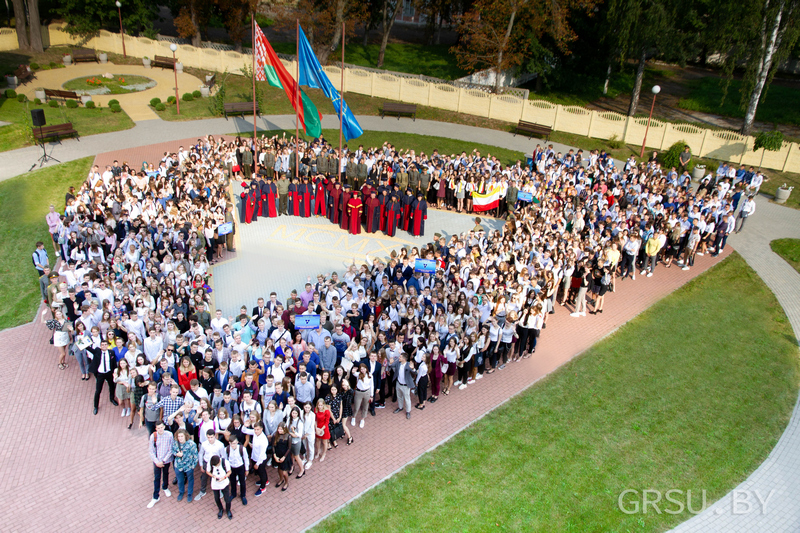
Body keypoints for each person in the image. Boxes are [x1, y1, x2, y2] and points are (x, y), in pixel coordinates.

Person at [88, 339, 119, 415]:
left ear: (107, 345)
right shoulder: (97, 351)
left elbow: (114, 363)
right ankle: (95, 406)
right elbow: (88, 348)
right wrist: (81, 341)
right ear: (100, 346)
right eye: (102, 345)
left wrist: (115, 372)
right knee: (98, 390)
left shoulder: (111, 353)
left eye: (105, 345)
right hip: (100, 374)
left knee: (112, 387)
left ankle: (111, 399)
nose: (104, 346)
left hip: (109, 373)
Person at [147, 421, 173, 509]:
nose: (160, 429)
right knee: (157, 477)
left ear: (164, 427)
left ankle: (165, 487)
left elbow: (171, 449)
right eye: (158, 428)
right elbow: (151, 451)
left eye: (161, 427)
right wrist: (157, 461)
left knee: (166, 473)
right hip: (157, 461)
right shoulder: (153, 436)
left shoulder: (169, 435)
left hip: (166, 460)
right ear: (156, 429)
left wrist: (164, 460)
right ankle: (155, 496)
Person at [172, 428, 198, 502]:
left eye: (182, 436)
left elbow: (195, 456)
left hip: (189, 466)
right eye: (179, 436)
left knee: (190, 480)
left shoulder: (191, 444)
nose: (180, 438)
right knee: (180, 480)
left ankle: (190, 493)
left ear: (185, 436)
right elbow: (172, 450)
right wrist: (177, 454)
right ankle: (181, 492)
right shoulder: (175, 443)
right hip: (179, 466)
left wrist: (192, 466)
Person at [207, 455, 233, 520]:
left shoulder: (225, 462)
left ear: (219, 461)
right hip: (215, 484)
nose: (216, 467)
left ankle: (228, 510)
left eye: (217, 465)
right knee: (216, 498)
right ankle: (220, 509)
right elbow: (208, 471)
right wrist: (213, 476)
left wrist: (224, 477)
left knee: (227, 498)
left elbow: (229, 471)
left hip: (224, 483)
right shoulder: (210, 463)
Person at [226, 433, 249, 505]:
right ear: (229, 443)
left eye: (234, 443)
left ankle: (243, 495)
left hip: (240, 467)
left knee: (242, 482)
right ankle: (233, 494)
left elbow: (246, 459)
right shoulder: (227, 449)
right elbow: (226, 460)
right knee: (232, 482)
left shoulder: (242, 449)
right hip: (232, 467)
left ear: (237, 442)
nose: (233, 445)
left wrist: (247, 469)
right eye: (231, 444)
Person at [391, 352, 414, 419]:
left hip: (405, 385)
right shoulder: (398, 363)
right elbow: (392, 365)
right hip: (398, 383)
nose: (399, 358)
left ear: (404, 359)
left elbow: (414, 372)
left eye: (400, 357)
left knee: (407, 399)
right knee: (399, 396)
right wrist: (391, 362)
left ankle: (408, 411)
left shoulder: (408, 364)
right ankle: (400, 407)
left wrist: (413, 368)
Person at [272, 422, 292, 491]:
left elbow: (289, 448)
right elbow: (273, 446)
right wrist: (274, 455)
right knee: (279, 469)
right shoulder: (275, 435)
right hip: (278, 455)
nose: (279, 431)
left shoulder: (288, 436)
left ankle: (286, 482)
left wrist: (284, 457)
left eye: (281, 429)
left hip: (285, 456)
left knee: (284, 472)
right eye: (279, 429)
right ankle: (281, 480)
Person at [314, 398, 331, 463]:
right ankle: (318, 452)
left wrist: (321, 429)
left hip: (324, 428)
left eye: (321, 405)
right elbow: (315, 419)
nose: (320, 407)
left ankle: (324, 453)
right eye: (319, 405)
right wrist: (316, 428)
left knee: (324, 442)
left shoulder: (326, 411)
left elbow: (327, 422)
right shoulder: (316, 410)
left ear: (323, 405)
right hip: (318, 427)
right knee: (317, 440)